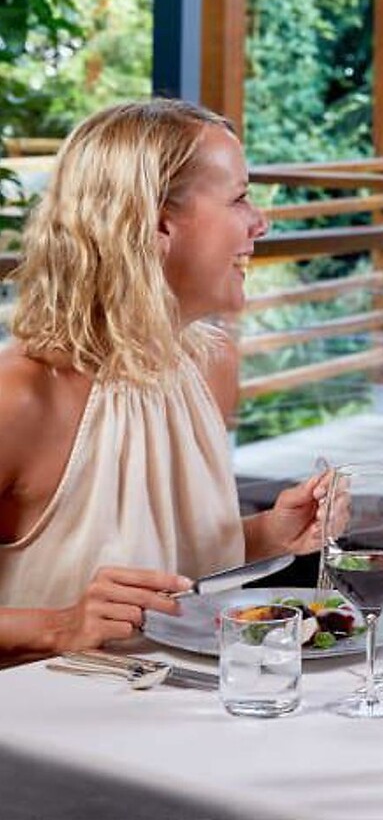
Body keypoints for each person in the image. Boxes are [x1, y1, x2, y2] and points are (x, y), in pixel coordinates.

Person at [0, 99, 328, 660]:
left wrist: (269, 533)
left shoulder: (208, 366)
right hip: (47, 715)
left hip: (192, 706)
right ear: (156, 222)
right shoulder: (23, 397)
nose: (261, 223)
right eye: (239, 198)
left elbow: (173, 571)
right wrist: (59, 626)